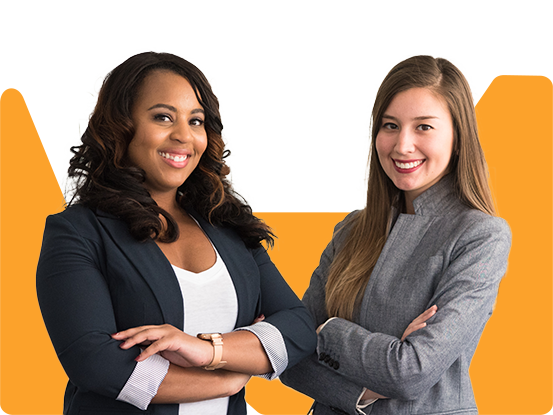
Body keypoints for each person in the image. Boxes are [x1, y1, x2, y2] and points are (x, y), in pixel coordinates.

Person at [36, 51, 317, 415]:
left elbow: (297, 328)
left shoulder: (227, 226)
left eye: (196, 120)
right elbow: (96, 364)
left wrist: (208, 350)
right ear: (122, 126)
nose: (184, 135)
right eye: (163, 117)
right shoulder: (78, 232)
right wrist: (228, 378)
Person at [279, 55, 511, 415]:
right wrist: (366, 390)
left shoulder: (481, 236)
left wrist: (325, 330)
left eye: (423, 127)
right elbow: (291, 359)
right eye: (390, 126)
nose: (402, 145)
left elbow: (411, 370)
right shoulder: (351, 229)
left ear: (458, 136)